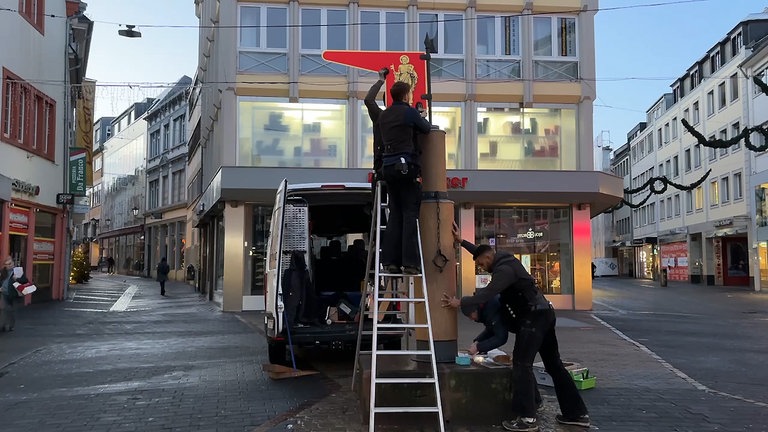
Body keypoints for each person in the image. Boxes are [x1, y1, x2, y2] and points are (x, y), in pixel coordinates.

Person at [442, 223, 589, 432]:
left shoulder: (504, 271)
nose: (482, 268)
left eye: (482, 265)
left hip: (532, 318)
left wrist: (460, 302)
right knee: (554, 365)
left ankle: (527, 418)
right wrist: (461, 242)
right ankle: (577, 414)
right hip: (544, 313)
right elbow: (481, 252)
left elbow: (487, 293)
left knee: (521, 364)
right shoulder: (502, 258)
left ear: (488, 259)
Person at [378, 81, 431, 275]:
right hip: (406, 167)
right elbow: (426, 128)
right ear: (406, 95)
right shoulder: (409, 112)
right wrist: (420, 116)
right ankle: (410, 263)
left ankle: (390, 262)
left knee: (395, 214)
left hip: (389, 168)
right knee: (410, 214)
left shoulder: (384, 115)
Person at [461, 295, 544, 413]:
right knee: (523, 365)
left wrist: (479, 346)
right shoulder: (487, 307)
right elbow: (492, 328)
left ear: (474, 310)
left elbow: (501, 337)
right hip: (534, 321)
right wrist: (478, 341)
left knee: (522, 365)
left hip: (532, 325)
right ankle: (535, 402)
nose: (471, 319)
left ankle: (529, 412)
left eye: (470, 316)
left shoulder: (490, 309)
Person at [1, 256, 28, 332]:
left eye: (10, 263)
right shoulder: (3, 272)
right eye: (7, 264)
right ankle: (2, 325)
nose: (9, 265)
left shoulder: (18, 271)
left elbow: (24, 281)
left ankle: (10, 325)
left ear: (13, 263)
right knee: (4, 309)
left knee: (12, 310)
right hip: (4, 293)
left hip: (14, 294)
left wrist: (17, 279)